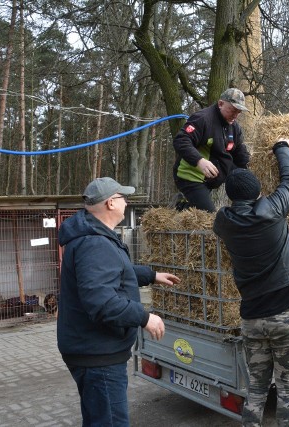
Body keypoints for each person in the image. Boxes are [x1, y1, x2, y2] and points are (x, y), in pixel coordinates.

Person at [57, 177, 181, 426]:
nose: (127, 202)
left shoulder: (93, 235)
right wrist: (144, 316)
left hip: (91, 348)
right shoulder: (94, 243)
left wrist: (151, 275)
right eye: (124, 198)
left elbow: (113, 270)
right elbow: (102, 302)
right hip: (98, 354)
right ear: (111, 203)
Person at [213, 139, 289, 427]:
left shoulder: (223, 222)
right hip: (286, 315)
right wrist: (282, 146)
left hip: (252, 318)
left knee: (256, 387)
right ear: (258, 192)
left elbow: (228, 207)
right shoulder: (273, 210)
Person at [173, 88, 251, 212]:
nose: (236, 115)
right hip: (190, 176)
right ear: (221, 104)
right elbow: (181, 140)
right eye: (233, 110)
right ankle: (180, 207)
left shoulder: (234, 127)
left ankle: (186, 204)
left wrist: (252, 169)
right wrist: (199, 161)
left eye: (239, 112)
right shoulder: (202, 119)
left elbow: (240, 153)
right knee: (208, 215)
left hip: (209, 180)